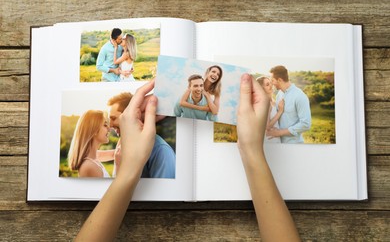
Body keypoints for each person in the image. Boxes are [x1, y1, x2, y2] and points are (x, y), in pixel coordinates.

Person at [75, 76, 300, 241]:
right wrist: (252, 150)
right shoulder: (117, 154)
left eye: (112, 119)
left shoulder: (160, 152)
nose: (111, 124)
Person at [107, 91, 175, 178]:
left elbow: (164, 190)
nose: (110, 125)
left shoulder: (160, 150)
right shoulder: (122, 146)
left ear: (130, 116)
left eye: (113, 118)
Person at [267, 65, 311, 143]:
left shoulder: (299, 96)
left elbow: (305, 124)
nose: (271, 83)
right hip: (280, 143)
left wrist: (279, 133)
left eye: (272, 80)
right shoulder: (279, 94)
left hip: (295, 144)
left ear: (279, 80)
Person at [67, 110, 111, 178]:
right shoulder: (90, 166)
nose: (109, 129)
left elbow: (113, 154)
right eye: (105, 125)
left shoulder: (93, 160)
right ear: (94, 130)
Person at [256, 76, 284, 143]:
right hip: (270, 139)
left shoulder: (273, 101)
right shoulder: (266, 103)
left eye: (270, 83)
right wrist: (280, 111)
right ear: (262, 89)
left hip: (275, 136)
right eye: (267, 85)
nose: (271, 85)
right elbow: (267, 126)